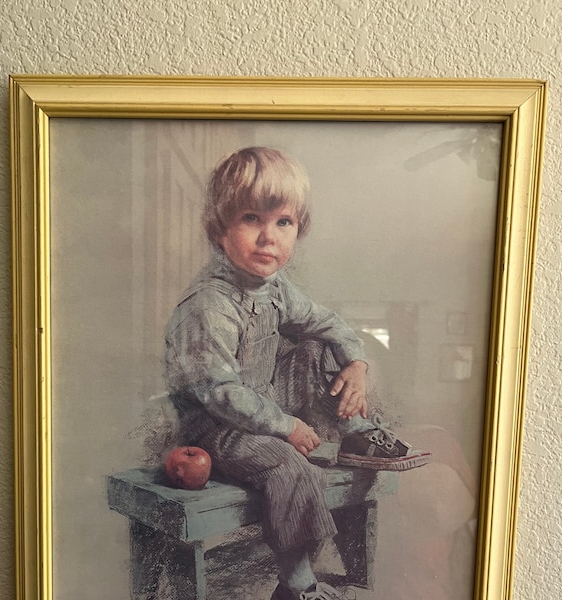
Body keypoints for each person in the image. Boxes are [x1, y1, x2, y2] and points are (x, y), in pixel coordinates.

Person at [164, 146, 430, 600]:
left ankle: (359, 433)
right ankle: (296, 584)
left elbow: (327, 321)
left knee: (315, 344)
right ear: (219, 229)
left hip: (262, 404)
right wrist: (284, 426)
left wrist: (359, 364)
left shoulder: (274, 288)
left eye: (283, 222)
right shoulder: (210, 303)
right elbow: (221, 394)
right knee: (290, 467)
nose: (269, 237)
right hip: (215, 429)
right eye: (251, 219)